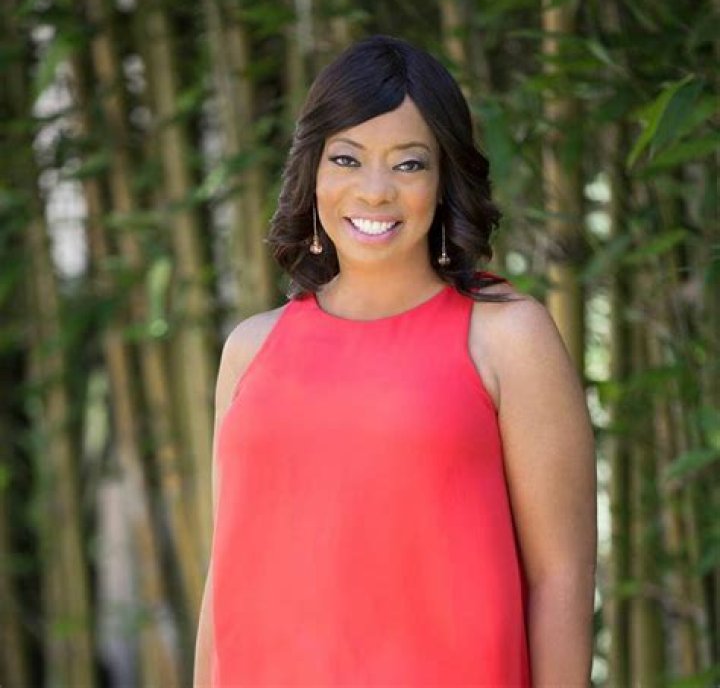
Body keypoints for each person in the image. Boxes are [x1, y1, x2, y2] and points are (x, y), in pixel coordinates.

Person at [194, 34, 596, 686]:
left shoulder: (507, 338)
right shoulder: (250, 349)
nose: (375, 191)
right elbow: (225, 576)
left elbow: (561, 577)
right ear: (313, 172)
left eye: (408, 164)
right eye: (346, 159)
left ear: (444, 179)